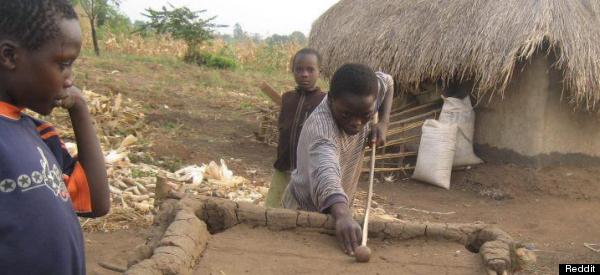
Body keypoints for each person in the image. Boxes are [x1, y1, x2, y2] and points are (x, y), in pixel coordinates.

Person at [0, 1, 110, 274]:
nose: (69, 79)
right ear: (9, 56)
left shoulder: (39, 133)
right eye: (63, 64)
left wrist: (80, 111)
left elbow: (95, 203)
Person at [282, 63, 394, 256]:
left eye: (366, 115)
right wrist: (342, 215)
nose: (357, 123)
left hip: (338, 207)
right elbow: (326, 174)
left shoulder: (368, 92)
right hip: (302, 211)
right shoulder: (322, 130)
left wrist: (383, 123)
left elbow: (388, 82)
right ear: (331, 98)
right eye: (346, 114)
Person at [264, 48, 326, 207]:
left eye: (310, 70)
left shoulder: (324, 102)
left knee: (298, 212)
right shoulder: (287, 98)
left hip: (307, 172)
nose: (304, 74)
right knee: (272, 207)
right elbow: (282, 127)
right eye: (299, 69)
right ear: (292, 71)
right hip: (283, 166)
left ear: (320, 71)